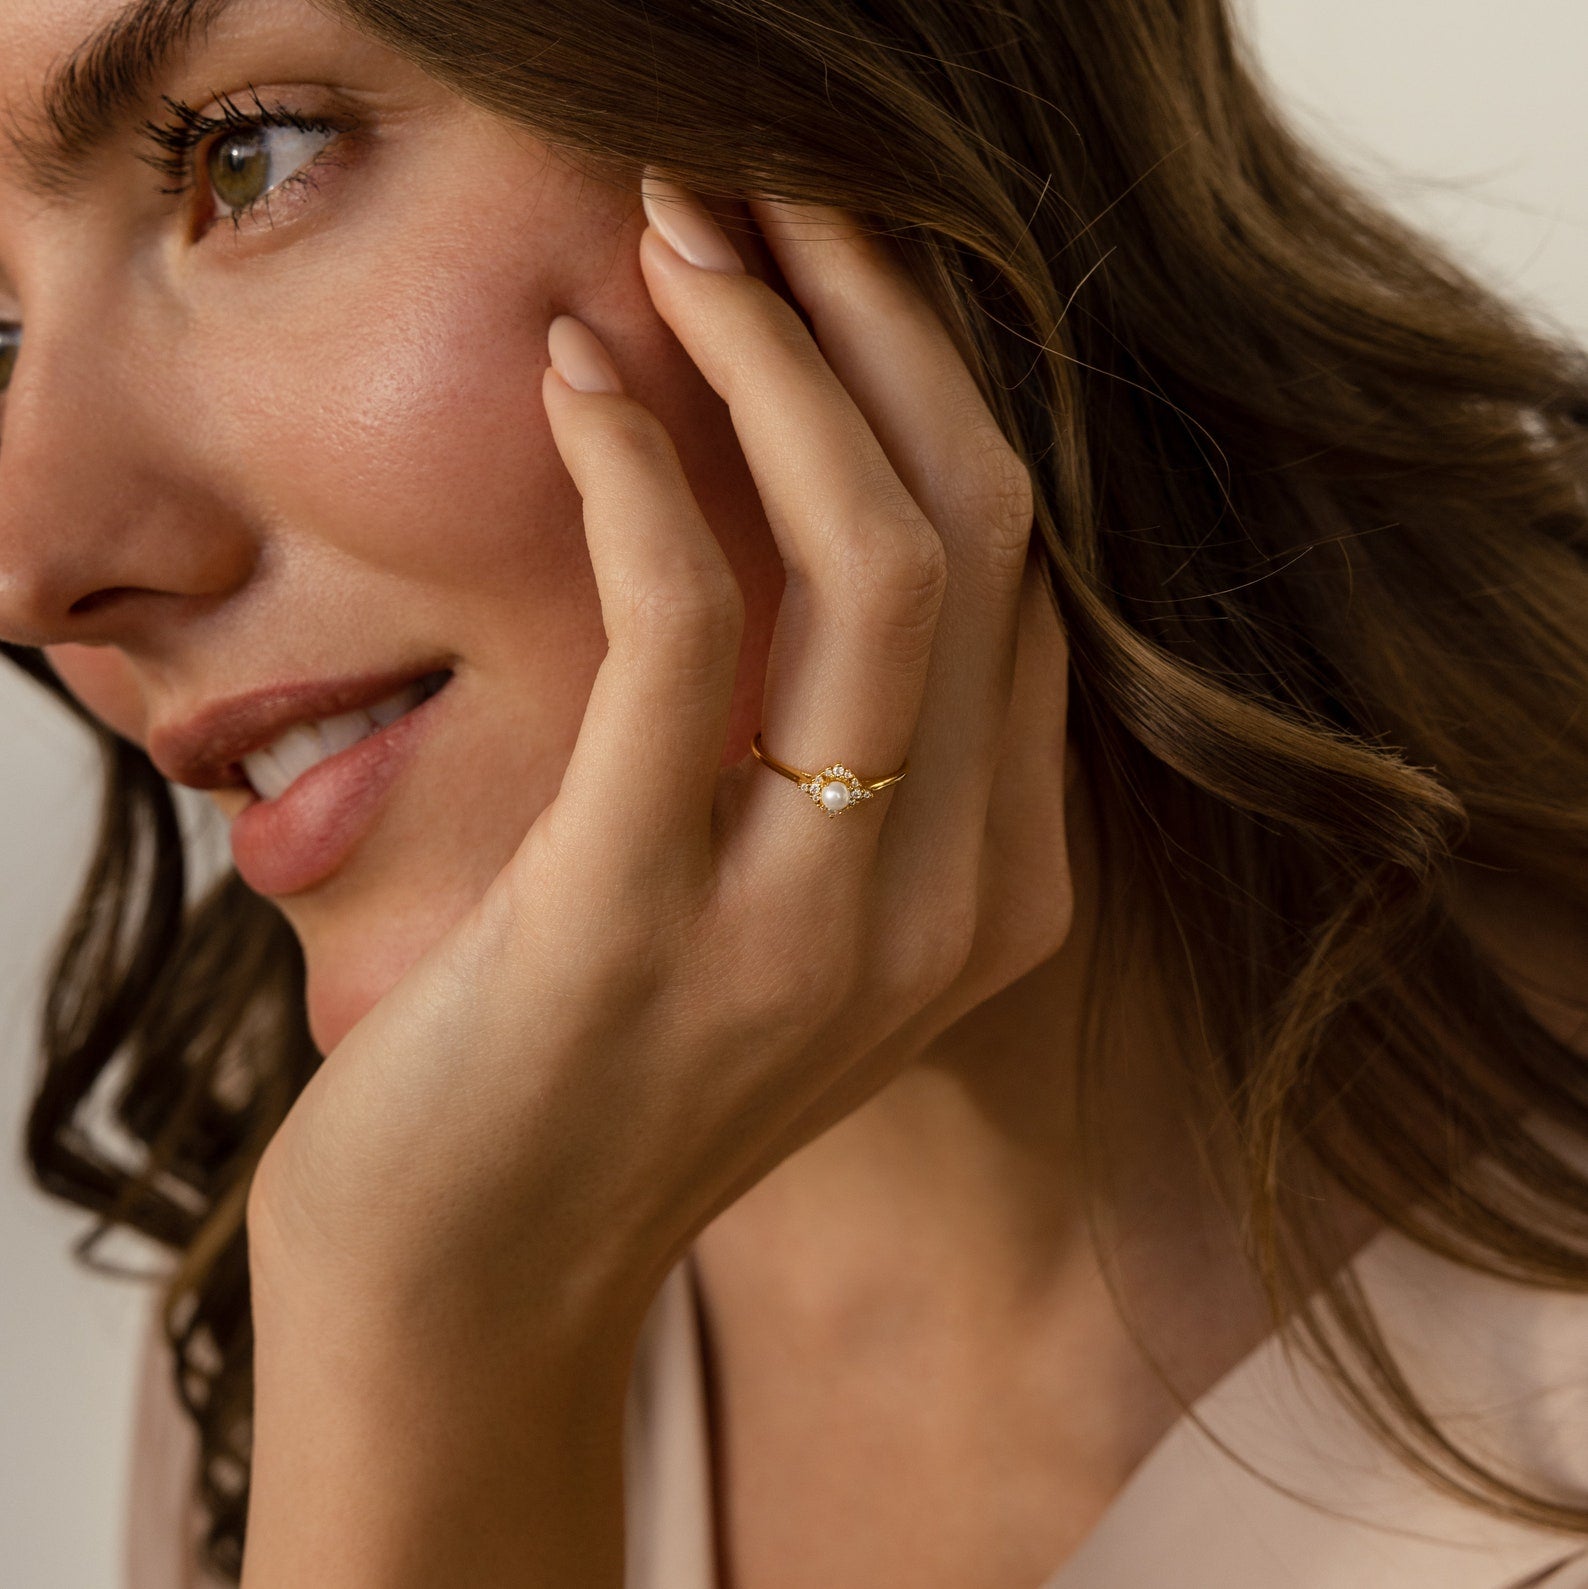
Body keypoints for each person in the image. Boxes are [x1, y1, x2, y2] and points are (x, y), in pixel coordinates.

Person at [2, 0, 1586, 1583]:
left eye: (249, 156)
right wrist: (427, 1359)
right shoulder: (357, 1224)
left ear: (869, 82)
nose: (34, 562)